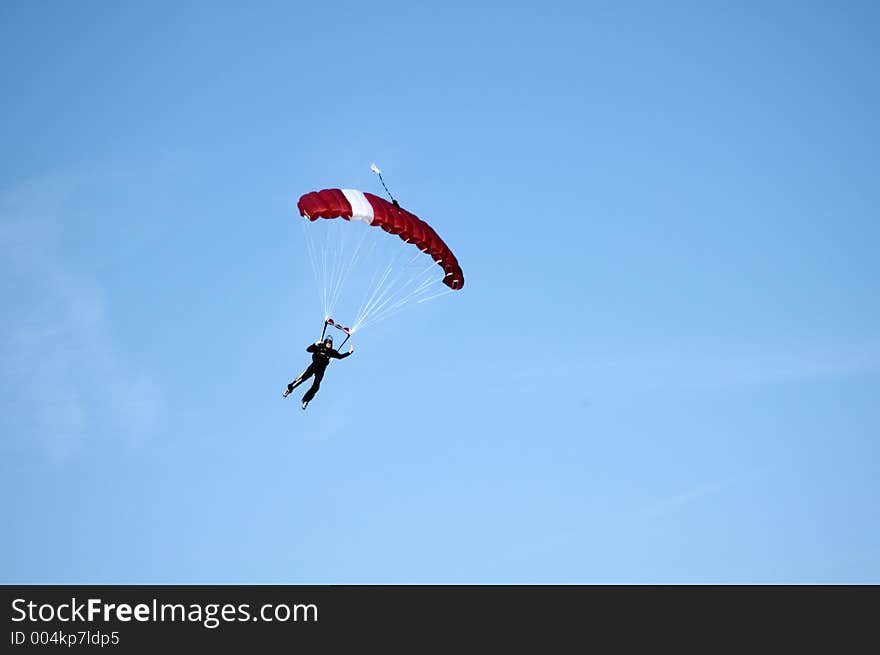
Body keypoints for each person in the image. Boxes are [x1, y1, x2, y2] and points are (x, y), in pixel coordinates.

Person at [282, 334, 354, 409]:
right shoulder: (319, 347)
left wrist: (349, 352)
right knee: (302, 378)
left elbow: (340, 357)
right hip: (313, 367)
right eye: (327, 343)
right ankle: (289, 389)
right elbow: (308, 350)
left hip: (320, 371)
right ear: (325, 342)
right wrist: (315, 344)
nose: (329, 344)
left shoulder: (332, 352)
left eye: (330, 343)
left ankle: (306, 400)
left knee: (315, 386)